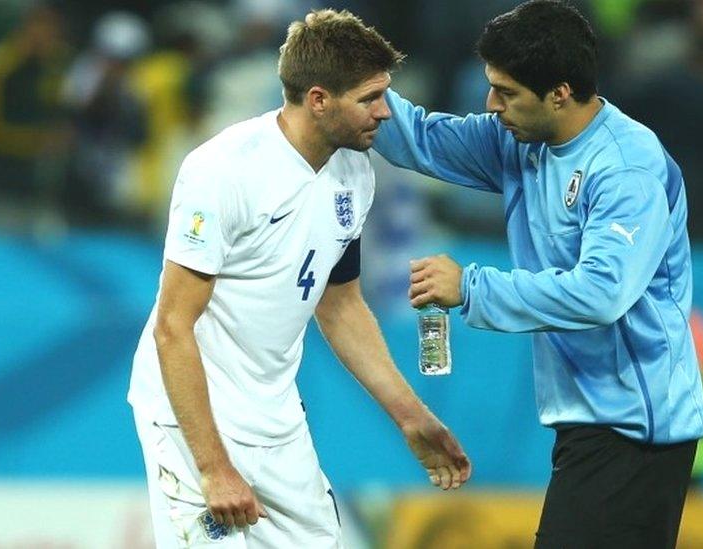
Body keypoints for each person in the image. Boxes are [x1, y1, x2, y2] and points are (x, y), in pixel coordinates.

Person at [127, 9, 471, 548]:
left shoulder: (354, 173)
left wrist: (410, 416)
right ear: (318, 99)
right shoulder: (222, 171)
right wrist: (213, 467)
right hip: (190, 419)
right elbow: (173, 326)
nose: (385, 113)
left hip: (274, 411)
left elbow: (340, 305)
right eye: (369, 99)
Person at [373, 1, 703, 547]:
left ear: (559, 93)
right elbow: (421, 139)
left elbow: (602, 292)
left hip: (635, 428)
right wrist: (352, 72)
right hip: (591, 420)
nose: (490, 105)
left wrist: (471, 287)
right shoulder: (519, 139)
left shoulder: (625, 168)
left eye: (506, 93)